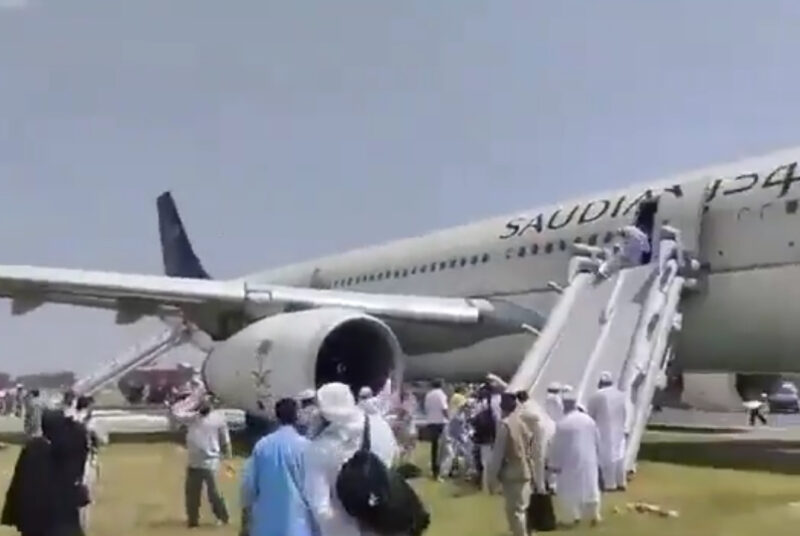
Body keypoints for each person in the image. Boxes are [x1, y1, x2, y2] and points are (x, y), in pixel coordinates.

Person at [304, 382, 398, 536]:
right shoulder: (381, 427)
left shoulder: (319, 449)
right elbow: (393, 459)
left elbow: (320, 507)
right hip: (380, 522)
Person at [241, 398, 316, 536]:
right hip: (298, 526)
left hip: (265, 526)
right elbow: (313, 491)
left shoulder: (262, 445)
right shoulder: (306, 447)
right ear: (297, 416)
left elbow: (249, 486)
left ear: (276, 416)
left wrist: (245, 521)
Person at [172, 397, 232, 528]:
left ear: (211, 404)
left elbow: (226, 441)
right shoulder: (192, 418)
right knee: (191, 494)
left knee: (214, 493)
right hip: (193, 462)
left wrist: (228, 461)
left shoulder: (218, 419)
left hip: (211, 461)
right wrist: (188, 402)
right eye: (201, 402)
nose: (204, 405)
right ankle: (192, 521)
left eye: (207, 402)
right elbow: (175, 414)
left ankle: (223, 517)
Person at [2, 410, 60, 536]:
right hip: (47, 514)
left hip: (27, 511)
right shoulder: (55, 451)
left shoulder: (31, 448)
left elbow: (18, 479)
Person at [548, 393, 602, 527]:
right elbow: (598, 440)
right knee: (590, 488)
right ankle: (594, 515)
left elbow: (556, 446)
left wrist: (553, 464)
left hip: (569, 461)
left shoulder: (562, 423)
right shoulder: (589, 420)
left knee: (569, 490)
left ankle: (571, 518)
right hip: (589, 459)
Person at [487, 393, 535, 536]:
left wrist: (491, 478)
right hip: (526, 469)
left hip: (512, 472)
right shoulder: (522, 422)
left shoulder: (505, 425)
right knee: (522, 508)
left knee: (514, 511)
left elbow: (497, 454)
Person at [587, 372, 628, 491]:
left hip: (603, 430)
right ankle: (621, 482)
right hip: (619, 429)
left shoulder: (597, 395)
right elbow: (625, 412)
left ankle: (610, 484)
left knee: (606, 458)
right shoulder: (621, 395)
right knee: (619, 456)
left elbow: (591, 414)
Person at [471, 385, 497, 492]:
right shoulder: (493, 407)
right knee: (489, 463)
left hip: (482, 439)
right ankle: (489, 485)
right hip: (491, 438)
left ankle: (484, 485)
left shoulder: (478, 407)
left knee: (483, 462)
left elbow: (473, 422)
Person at [423, 379, 449, 479]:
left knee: (434, 447)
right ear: (441, 385)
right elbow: (444, 409)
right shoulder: (441, 394)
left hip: (431, 422)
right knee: (441, 448)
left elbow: (426, 409)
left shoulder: (428, 395)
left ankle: (434, 469)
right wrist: (449, 418)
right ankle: (438, 472)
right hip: (440, 423)